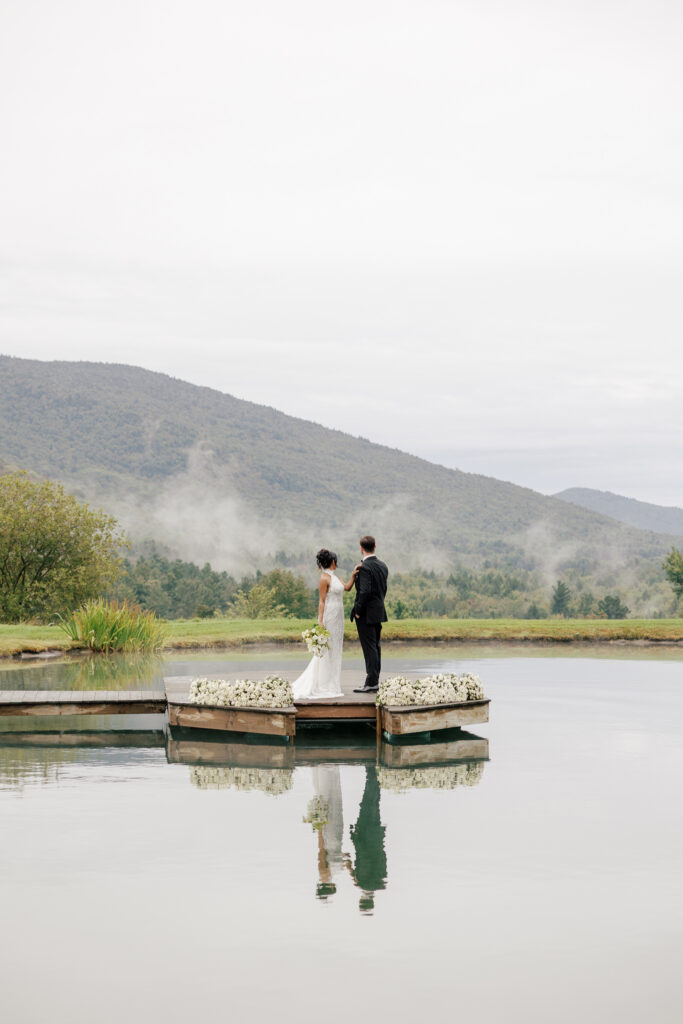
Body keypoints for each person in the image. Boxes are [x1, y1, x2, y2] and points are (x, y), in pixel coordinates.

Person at [292, 549, 358, 699]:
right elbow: (321, 601)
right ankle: (324, 684)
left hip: (339, 616)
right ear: (333, 562)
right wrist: (320, 621)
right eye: (336, 561)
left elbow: (347, 588)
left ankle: (333, 682)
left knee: (336, 648)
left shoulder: (334, 577)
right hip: (330, 615)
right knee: (328, 649)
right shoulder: (324, 578)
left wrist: (353, 576)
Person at [350, 535, 389, 694]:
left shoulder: (364, 567)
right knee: (376, 647)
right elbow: (383, 590)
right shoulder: (383, 566)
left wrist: (358, 611)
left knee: (369, 648)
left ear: (361, 548)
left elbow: (364, 591)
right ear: (375, 546)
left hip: (366, 614)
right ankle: (374, 681)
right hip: (378, 611)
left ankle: (371, 682)